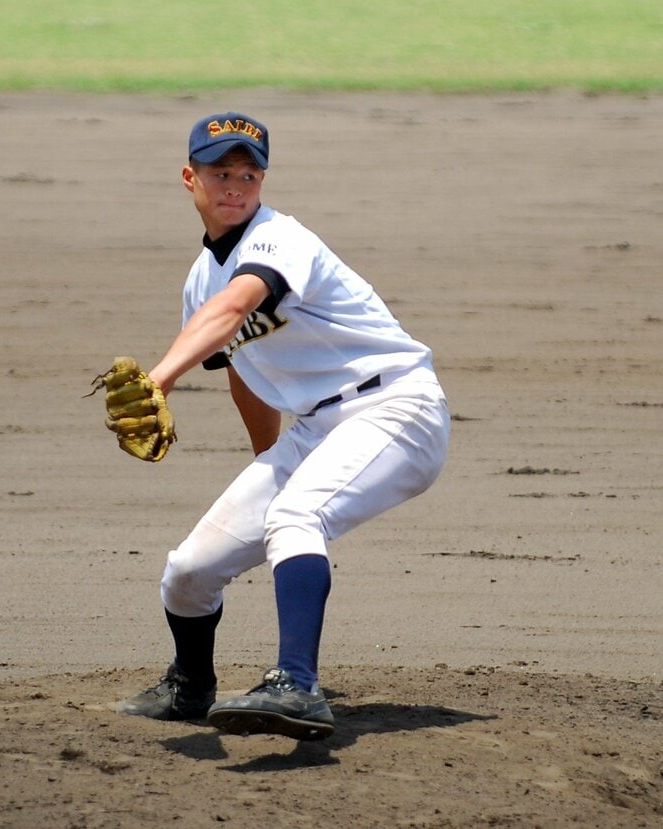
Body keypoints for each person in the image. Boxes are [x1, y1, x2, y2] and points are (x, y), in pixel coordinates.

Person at [117, 111, 451, 741]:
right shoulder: (200, 282)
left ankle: (298, 683)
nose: (235, 186)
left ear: (263, 181)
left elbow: (238, 305)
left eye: (249, 174)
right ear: (190, 178)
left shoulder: (278, 238)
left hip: (397, 407)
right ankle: (190, 684)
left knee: (296, 516)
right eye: (221, 173)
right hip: (317, 430)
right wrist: (268, 459)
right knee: (189, 570)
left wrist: (158, 379)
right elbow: (242, 370)